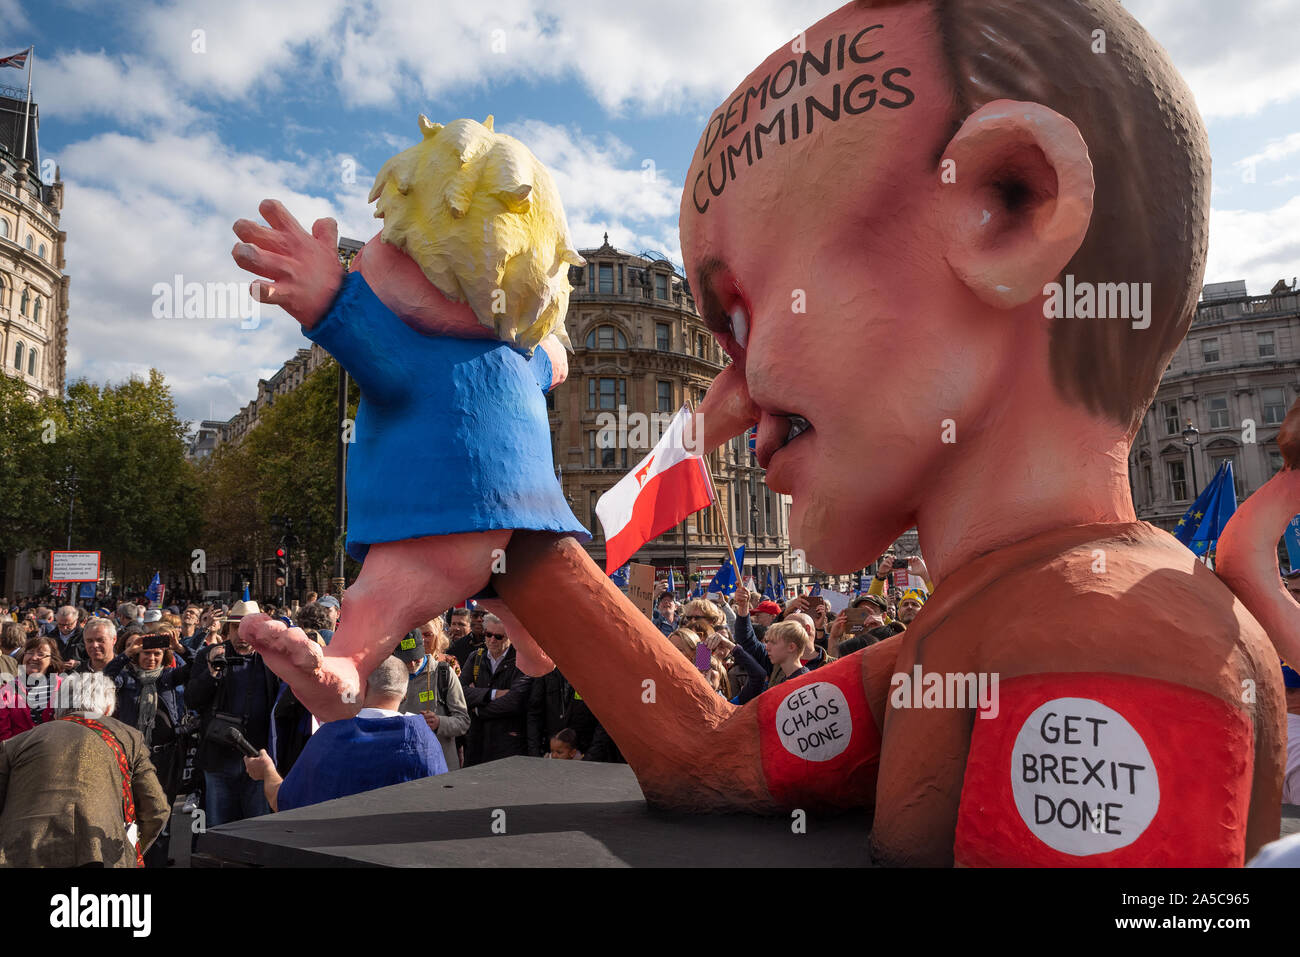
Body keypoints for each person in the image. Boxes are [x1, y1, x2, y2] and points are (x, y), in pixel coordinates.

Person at [0, 672, 170, 867]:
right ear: (107, 708)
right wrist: (130, 851)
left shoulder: (15, 743)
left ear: (57, 709)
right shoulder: (128, 737)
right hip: (101, 853)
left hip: (22, 853)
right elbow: (156, 809)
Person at [243, 657, 447, 811]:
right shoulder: (424, 741)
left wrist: (267, 771)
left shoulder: (330, 737)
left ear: (361, 686)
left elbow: (283, 801)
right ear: (404, 694)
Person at [184, 600, 281, 826]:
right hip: (219, 759)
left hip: (259, 757)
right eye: (236, 627)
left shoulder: (271, 660)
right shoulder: (211, 655)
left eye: (249, 628)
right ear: (228, 629)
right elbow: (191, 699)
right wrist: (211, 673)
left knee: (257, 828)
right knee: (221, 827)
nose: (241, 634)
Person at [460, 613, 531, 766]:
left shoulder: (521, 661)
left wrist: (478, 709)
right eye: (488, 634)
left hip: (507, 742)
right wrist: (493, 694)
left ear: (511, 637)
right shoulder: (476, 657)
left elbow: (515, 701)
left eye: (499, 636)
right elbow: (460, 692)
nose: (492, 640)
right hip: (477, 740)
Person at [399, 621, 470, 773]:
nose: (411, 663)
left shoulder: (443, 673)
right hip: (404, 767)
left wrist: (439, 722)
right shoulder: (391, 674)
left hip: (440, 768)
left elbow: (463, 722)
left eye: (415, 658)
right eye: (406, 659)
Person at [0, 636, 63, 741]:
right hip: (20, 753)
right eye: (29, 652)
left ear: (51, 660)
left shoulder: (64, 687)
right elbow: (3, 734)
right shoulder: (7, 691)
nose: (33, 657)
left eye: (41, 654)